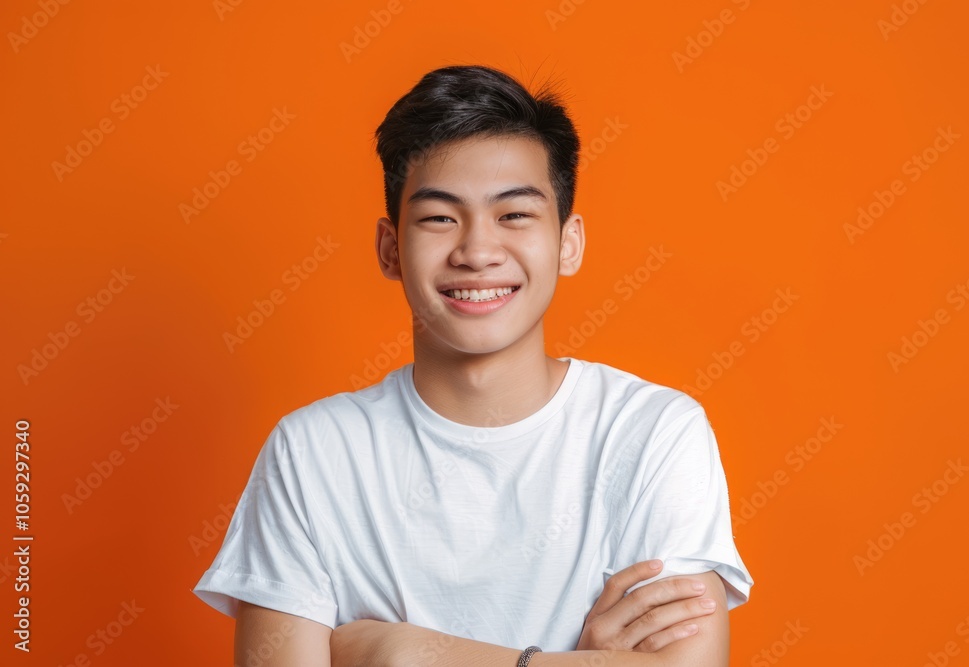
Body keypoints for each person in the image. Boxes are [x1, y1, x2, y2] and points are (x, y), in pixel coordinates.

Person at [193, 63, 753, 666]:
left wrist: (403, 652)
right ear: (390, 248)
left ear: (568, 243)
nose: (477, 252)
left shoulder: (652, 432)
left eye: (514, 215)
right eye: (440, 217)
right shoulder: (312, 453)